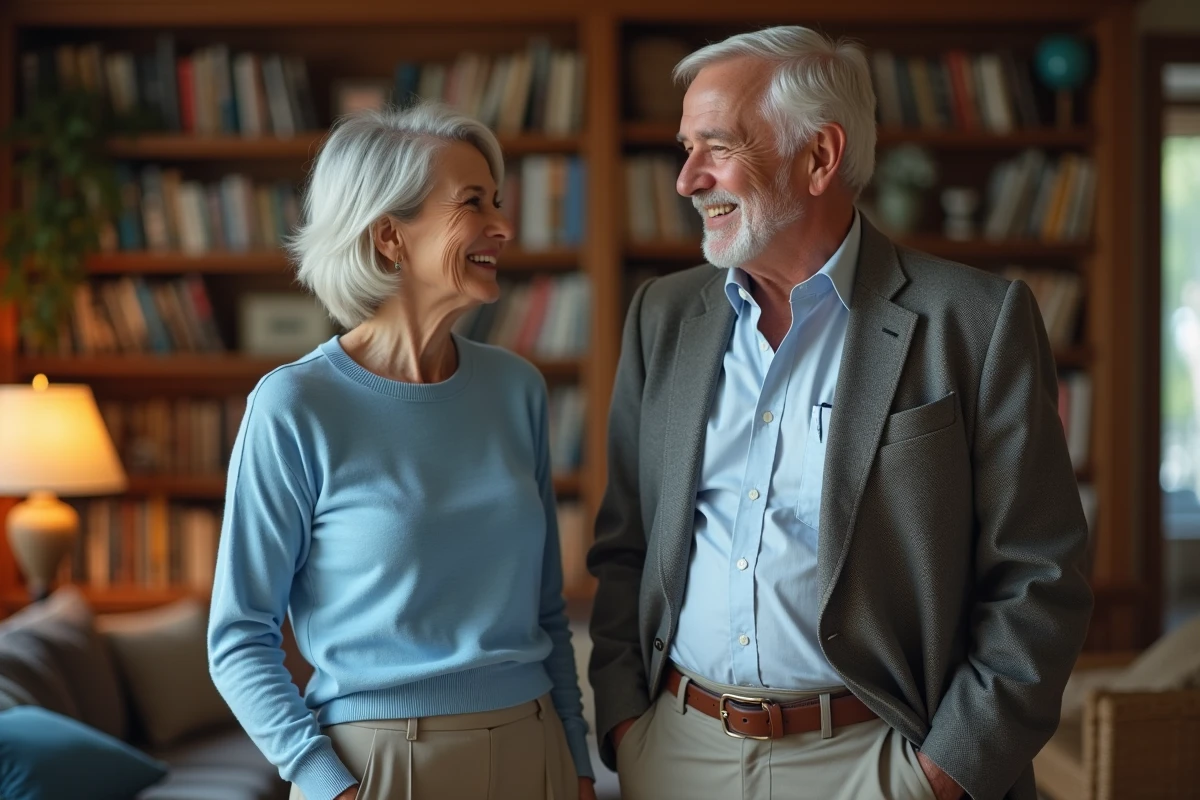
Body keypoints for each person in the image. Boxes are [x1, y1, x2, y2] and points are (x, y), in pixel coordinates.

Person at [588, 26, 1092, 800]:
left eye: (716, 146)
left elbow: (1040, 578)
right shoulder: (663, 315)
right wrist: (627, 723)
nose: (687, 179)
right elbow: (626, 542)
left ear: (820, 156)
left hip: (879, 760)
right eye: (686, 147)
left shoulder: (974, 320)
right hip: (676, 753)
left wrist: (943, 772)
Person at [208, 103, 596, 800]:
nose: (503, 226)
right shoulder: (294, 405)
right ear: (390, 237)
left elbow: (545, 611)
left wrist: (574, 761)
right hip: (379, 767)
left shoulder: (517, 389)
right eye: (473, 203)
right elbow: (239, 636)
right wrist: (325, 780)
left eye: (498, 201)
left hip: (532, 747)